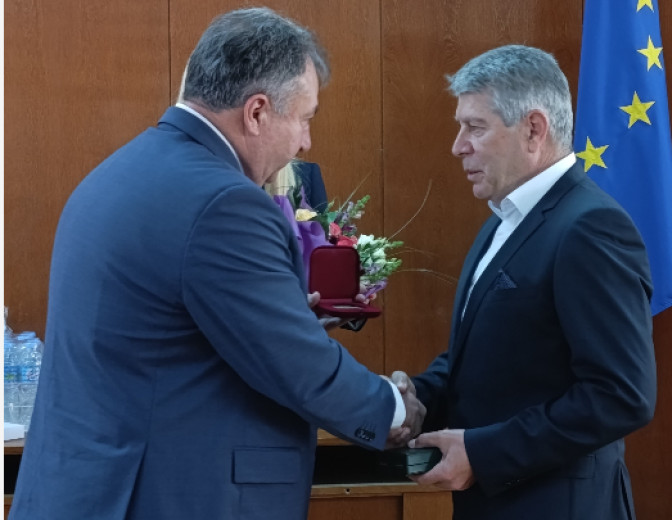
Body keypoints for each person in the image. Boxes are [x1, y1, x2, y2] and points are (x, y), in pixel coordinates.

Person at [9, 8, 423, 520]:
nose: (306, 142)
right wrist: (394, 409)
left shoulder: (117, 173)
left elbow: (172, 333)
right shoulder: (224, 203)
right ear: (257, 112)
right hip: (164, 496)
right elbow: (297, 367)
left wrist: (286, 315)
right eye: (305, 119)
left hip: (90, 490)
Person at [403, 45, 657, 519]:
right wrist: (417, 397)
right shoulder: (504, 220)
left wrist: (484, 453)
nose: (458, 146)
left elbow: (622, 395)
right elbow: (492, 356)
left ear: (534, 129)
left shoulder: (591, 227)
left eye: (475, 127)